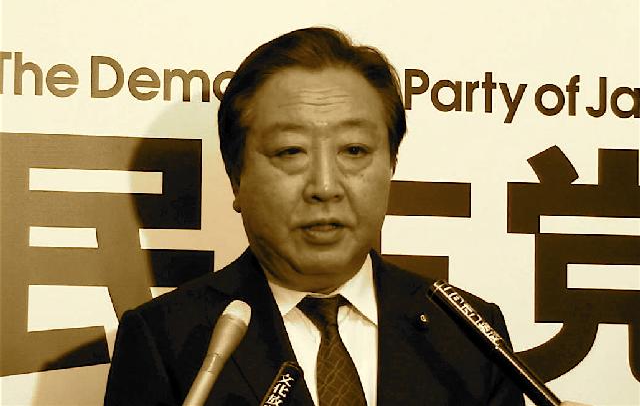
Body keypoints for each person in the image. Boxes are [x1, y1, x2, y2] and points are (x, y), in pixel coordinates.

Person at [104, 27, 584, 405]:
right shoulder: (168, 340)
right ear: (236, 178)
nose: (325, 187)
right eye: (290, 151)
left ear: (391, 165)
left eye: (354, 150)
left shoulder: (467, 332)